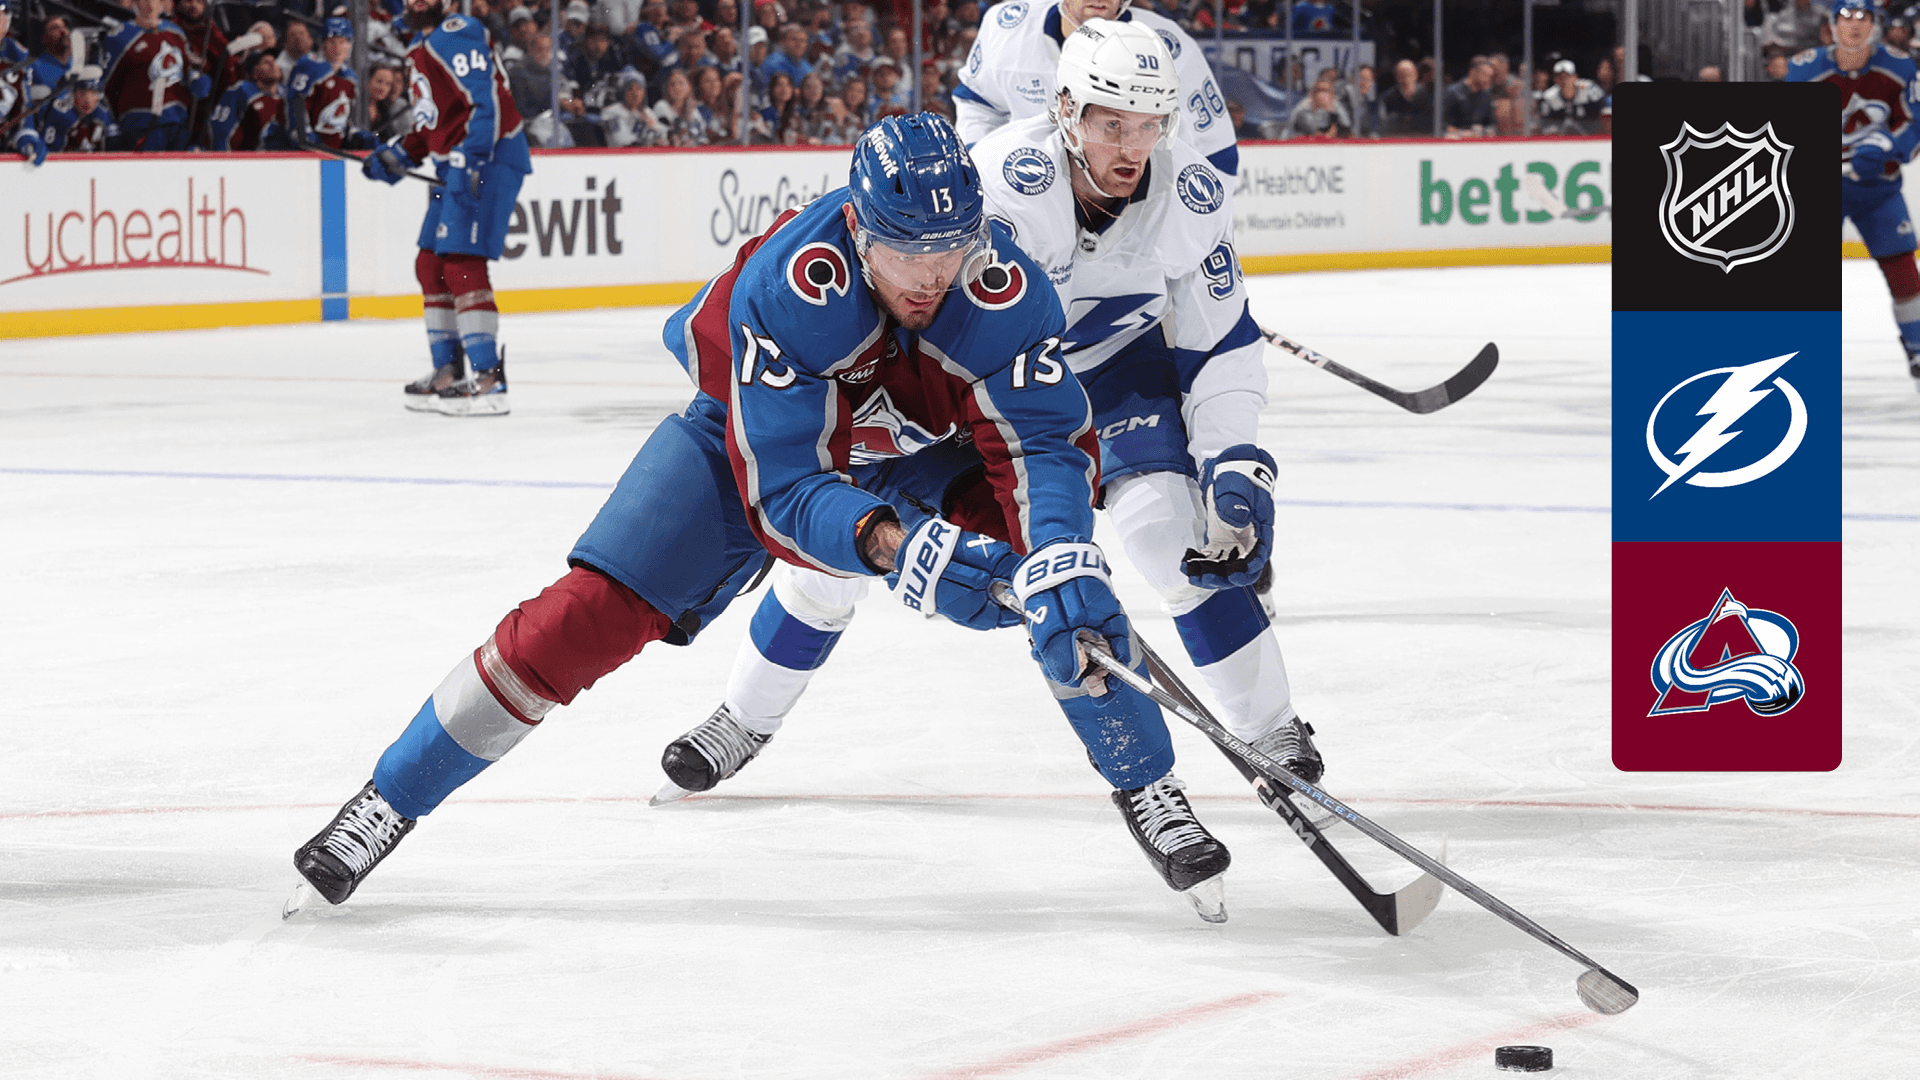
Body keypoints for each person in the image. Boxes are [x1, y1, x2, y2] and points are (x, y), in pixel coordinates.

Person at [287, 113, 1225, 923]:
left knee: (1066, 589)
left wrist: (1057, 551)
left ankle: (1150, 785)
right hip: (747, 441)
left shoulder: (998, 284)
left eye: (951, 248)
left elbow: (1046, 446)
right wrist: (895, 547)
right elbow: (785, 492)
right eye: (908, 251)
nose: (933, 275)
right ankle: (389, 797)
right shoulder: (788, 283)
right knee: (586, 614)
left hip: (922, 447)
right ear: (857, 228)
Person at [652, 22, 1321, 924]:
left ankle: (1268, 732)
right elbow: (937, 315)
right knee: (835, 563)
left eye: (1148, 125)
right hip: (980, 394)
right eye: (1112, 124)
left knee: (1168, 536)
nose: (1132, 149)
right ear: (1067, 110)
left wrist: (1235, 458)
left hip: (1111, 373)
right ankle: (746, 716)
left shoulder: (1192, 196)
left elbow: (1221, 343)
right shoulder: (1007, 181)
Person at [365, 0, 533, 415]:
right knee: (430, 263)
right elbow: (437, 124)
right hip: (457, 165)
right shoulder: (421, 47)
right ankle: (448, 371)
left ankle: (490, 381)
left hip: (488, 159)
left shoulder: (457, 32)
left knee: (461, 262)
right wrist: (398, 155)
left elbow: (485, 101)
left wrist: (470, 159)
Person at [955, 0, 1239, 177]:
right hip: (1032, 196)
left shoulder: (1167, 46)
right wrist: (981, 175)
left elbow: (1218, 152)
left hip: (1128, 208)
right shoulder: (1008, 27)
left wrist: (1190, 224)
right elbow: (978, 106)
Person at [1792, 0, 1920, 390]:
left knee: (1904, 272)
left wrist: (1886, 145)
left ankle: (1918, 349)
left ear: (1874, 25)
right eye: (1845, 17)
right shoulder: (1803, 69)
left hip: (1878, 190)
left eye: (1862, 17)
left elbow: (1915, 124)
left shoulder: (1900, 66)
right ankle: (1792, 353)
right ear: (1831, 26)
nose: (1854, 25)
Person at [100, 0, 214, 150]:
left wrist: (196, 80)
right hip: (140, 124)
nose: (150, 3)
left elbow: (187, 69)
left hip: (178, 120)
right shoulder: (119, 37)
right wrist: (110, 125)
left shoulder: (176, 32)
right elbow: (102, 87)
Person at [289, 16, 368, 148]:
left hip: (336, 146)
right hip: (308, 147)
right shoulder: (309, 66)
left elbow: (348, 114)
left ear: (349, 45)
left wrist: (353, 132)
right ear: (323, 43)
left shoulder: (350, 76)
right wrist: (303, 131)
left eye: (342, 42)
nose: (337, 48)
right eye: (332, 42)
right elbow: (296, 100)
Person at [209, 48, 292, 150]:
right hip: (246, 156)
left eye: (275, 61)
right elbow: (220, 129)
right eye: (267, 63)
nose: (273, 65)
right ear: (255, 71)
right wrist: (224, 157)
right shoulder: (241, 90)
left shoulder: (287, 94)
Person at [41, 67, 119, 152]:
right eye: (82, 94)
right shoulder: (61, 113)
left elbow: (114, 147)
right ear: (73, 94)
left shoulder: (102, 111)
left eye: (93, 94)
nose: (88, 101)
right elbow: (51, 152)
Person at [1534, 58, 1604, 135]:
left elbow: (1603, 116)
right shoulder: (1548, 97)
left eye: (1567, 76)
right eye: (1560, 77)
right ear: (1555, 80)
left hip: (1589, 138)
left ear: (1575, 77)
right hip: (1562, 139)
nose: (1564, 81)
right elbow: (1545, 125)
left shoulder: (1589, 90)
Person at [601, 70, 664, 144]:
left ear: (644, 93)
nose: (635, 93)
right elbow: (620, 140)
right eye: (630, 89)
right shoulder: (611, 112)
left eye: (639, 88)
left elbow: (662, 137)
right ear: (623, 92)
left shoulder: (648, 112)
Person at [1442, 56, 1493, 137]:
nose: (1487, 80)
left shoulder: (1486, 96)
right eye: (1484, 75)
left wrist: (1487, 131)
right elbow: (1442, 124)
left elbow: (1490, 124)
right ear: (1472, 72)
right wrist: (1461, 133)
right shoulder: (1453, 92)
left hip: (1478, 140)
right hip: (1455, 140)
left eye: (1489, 76)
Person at [1377, 57, 1430, 135]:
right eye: (1402, 75)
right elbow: (1382, 125)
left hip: (1423, 138)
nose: (1406, 78)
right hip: (1396, 138)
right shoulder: (1388, 99)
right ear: (1397, 77)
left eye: (1409, 74)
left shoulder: (1427, 97)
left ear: (1416, 75)